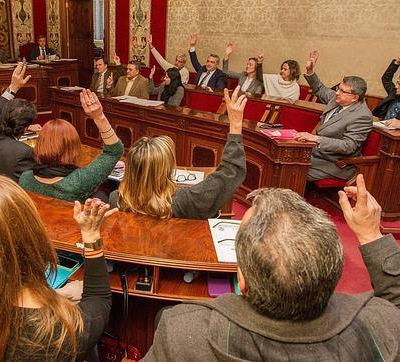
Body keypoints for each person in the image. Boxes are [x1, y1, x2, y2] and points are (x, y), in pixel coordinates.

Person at [143, 174, 400, 361]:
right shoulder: (382, 327)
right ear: (332, 271)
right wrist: (371, 235)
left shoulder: (186, 334)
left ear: (243, 282)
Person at [0, 179, 114, 361]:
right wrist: (90, 235)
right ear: (33, 236)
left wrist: (57, 296)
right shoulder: (61, 331)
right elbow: (99, 299)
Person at [109, 86, 247, 220]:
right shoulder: (184, 201)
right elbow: (231, 172)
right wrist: (235, 125)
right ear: (166, 171)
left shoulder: (116, 199)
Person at [19, 89, 123, 202]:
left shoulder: (25, 178)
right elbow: (114, 151)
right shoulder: (78, 181)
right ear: (73, 148)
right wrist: (99, 117)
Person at [295, 50, 373, 181]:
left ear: (354, 97)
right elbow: (319, 89)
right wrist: (310, 70)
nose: (337, 92)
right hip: (315, 154)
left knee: (293, 171)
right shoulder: (337, 99)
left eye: (342, 91)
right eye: (338, 88)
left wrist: (316, 139)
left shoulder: (362, 116)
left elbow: (348, 146)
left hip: (334, 163)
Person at [373, 56, 400, 127]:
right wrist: (397, 62)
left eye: (399, 84)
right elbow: (386, 79)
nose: (396, 86)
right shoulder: (394, 92)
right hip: (383, 126)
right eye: (397, 83)